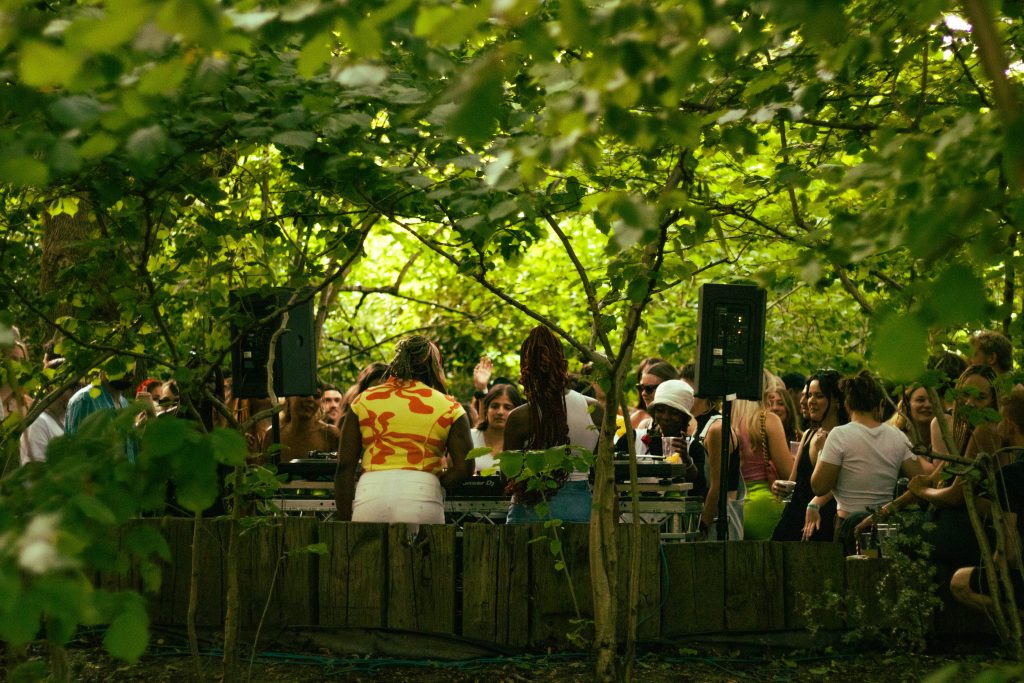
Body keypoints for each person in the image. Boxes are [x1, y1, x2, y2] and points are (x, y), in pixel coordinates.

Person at [334, 336, 473, 528]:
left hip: (371, 495)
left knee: (367, 558)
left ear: (397, 362)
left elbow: (344, 467)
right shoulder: (449, 406)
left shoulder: (364, 400)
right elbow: (465, 468)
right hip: (422, 494)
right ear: (434, 366)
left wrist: (343, 523)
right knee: (421, 558)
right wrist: (434, 482)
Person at [810, 370, 928, 552]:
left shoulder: (839, 435)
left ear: (847, 405)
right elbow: (920, 481)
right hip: (884, 526)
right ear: (881, 405)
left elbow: (819, 487)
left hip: (848, 526)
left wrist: (820, 451)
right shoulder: (898, 436)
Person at [503, 326, 603, 524]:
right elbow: (604, 471)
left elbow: (508, 475)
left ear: (526, 367)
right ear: (561, 362)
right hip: (580, 507)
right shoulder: (595, 410)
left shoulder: (520, 417)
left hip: (530, 510)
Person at [950, 385, 1024, 613]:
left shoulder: (1010, 476)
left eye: (1000, 419)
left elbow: (1009, 552)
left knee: (960, 581)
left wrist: (992, 568)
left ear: (1010, 425)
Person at [772, 369, 847, 542]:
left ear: (835, 400)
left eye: (819, 396)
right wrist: (782, 487)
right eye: (809, 395)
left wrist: (822, 451)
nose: (810, 401)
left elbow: (838, 483)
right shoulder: (808, 434)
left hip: (823, 520)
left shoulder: (844, 437)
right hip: (794, 518)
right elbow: (795, 481)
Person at [734, 371, 796, 540]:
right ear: (764, 392)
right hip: (763, 503)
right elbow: (788, 474)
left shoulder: (726, 421)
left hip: (732, 508)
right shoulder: (768, 420)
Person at [64, 365, 138, 462]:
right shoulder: (85, 400)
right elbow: (78, 455)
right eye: (121, 360)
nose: (129, 369)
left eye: (132, 360)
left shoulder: (125, 404)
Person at [264, 393, 341, 461]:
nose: (310, 399)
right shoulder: (273, 434)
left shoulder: (330, 434)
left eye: (316, 396)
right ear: (288, 397)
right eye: (304, 394)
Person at [470, 383, 524, 473]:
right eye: (495, 406)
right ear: (486, 409)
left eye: (507, 407)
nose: (500, 412)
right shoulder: (469, 437)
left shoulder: (524, 444)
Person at [887, 384, 934, 455]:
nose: (927, 405)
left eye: (932, 401)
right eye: (920, 400)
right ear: (906, 406)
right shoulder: (892, 434)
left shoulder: (944, 437)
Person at [632, 360, 677, 429]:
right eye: (641, 387)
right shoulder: (644, 425)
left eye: (648, 388)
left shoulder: (688, 426)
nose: (643, 393)